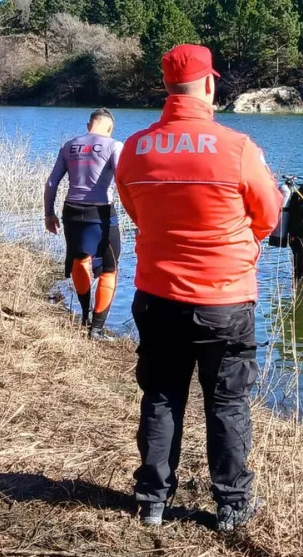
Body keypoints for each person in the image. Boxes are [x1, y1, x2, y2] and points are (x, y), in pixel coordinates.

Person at [115, 44, 282, 531]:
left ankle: (151, 500)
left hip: (157, 295)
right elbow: (269, 216)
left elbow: (136, 212)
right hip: (224, 299)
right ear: (209, 84)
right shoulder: (237, 148)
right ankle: (231, 504)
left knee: (161, 395)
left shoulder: (135, 149)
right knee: (227, 401)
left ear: (166, 87)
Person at [44, 108, 123, 340]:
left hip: (71, 212)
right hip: (101, 212)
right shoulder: (114, 145)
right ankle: (96, 329)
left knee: (80, 259)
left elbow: (51, 183)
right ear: (110, 128)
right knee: (109, 268)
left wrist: (49, 214)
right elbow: (122, 181)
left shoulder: (69, 146)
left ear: (89, 125)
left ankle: (85, 315)